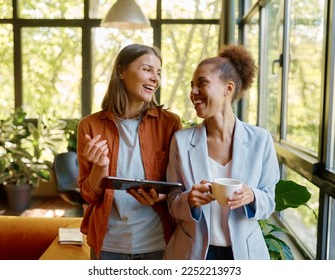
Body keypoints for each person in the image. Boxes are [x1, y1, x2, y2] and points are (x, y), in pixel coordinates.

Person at [163, 44, 280, 260]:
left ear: (228, 88)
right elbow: (172, 201)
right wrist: (189, 199)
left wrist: (252, 195)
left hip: (244, 254)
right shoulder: (181, 140)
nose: (193, 92)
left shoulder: (260, 140)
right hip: (193, 253)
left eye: (202, 83)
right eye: (192, 86)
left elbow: (269, 201)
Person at [77, 43, 182, 260]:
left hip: (157, 242)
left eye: (158, 72)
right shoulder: (90, 126)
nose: (155, 78)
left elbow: (180, 185)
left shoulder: (170, 124)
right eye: (147, 69)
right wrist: (100, 168)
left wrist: (159, 196)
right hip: (108, 245)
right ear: (122, 72)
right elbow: (88, 195)